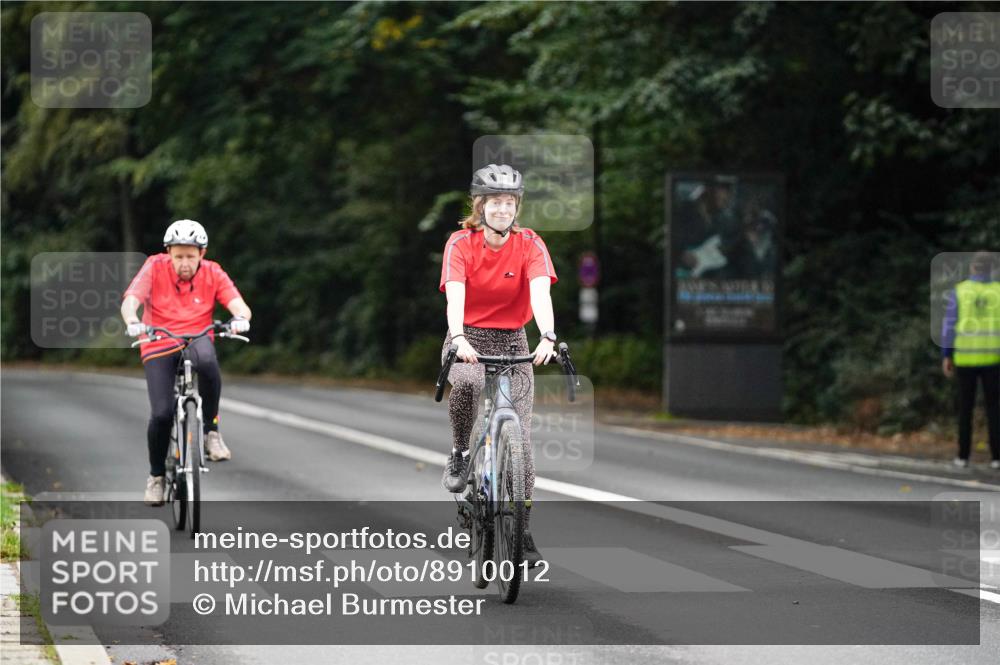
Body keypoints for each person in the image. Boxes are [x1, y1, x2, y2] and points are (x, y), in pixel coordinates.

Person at [439, 164, 559, 567]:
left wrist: (548, 336)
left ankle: (522, 531)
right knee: (470, 385)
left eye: (509, 203)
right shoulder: (461, 243)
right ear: (481, 206)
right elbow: (455, 295)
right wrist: (458, 338)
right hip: (467, 337)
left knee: (520, 438)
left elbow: (540, 292)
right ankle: (459, 452)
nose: (503, 210)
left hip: (514, 340)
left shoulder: (530, 244)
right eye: (495, 203)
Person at [121, 219, 253, 505]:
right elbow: (131, 299)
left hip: (197, 337)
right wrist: (132, 320)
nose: (184, 262)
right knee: (161, 414)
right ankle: (156, 477)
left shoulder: (213, 272)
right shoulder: (154, 267)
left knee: (207, 363)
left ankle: (211, 431)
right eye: (178, 256)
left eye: (190, 256)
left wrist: (240, 319)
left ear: (201, 255)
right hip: (159, 341)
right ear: (168, 252)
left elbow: (238, 304)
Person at [941, 251, 1000, 470]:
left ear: (973, 268)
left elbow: (949, 325)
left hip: (965, 359)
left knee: (965, 409)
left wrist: (947, 354)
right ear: (990, 269)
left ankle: (963, 456)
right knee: (994, 409)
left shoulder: (960, 291)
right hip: (994, 359)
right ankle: (997, 458)